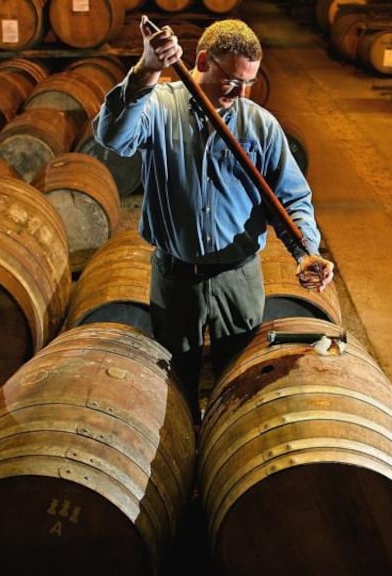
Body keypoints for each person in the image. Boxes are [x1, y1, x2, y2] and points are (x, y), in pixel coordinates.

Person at [92, 16, 335, 422]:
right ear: (203, 59)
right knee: (173, 382)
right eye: (232, 80)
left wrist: (306, 250)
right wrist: (148, 67)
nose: (240, 92)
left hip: (238, 278)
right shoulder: (159, 108)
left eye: (249, 83)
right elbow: (114, 136)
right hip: (176, 276)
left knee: (239, 379)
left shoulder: (260, 124)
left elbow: (291, 198)